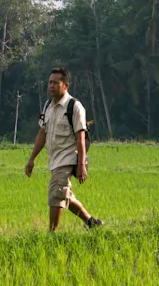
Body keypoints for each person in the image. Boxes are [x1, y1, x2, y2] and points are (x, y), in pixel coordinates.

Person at [25, 68, 104, 231]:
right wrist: (31, 159)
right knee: (64, 195)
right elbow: (42, 133)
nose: (51, 86)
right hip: (54, 159)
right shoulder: (48, 106)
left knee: (56, 194)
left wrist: (81, 165)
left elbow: (81, 138)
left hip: (67, 159)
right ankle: (91, 223)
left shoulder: (74, 107)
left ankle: (52, 234)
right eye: (49, 82)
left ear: (66, 85)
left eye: (55, 83)